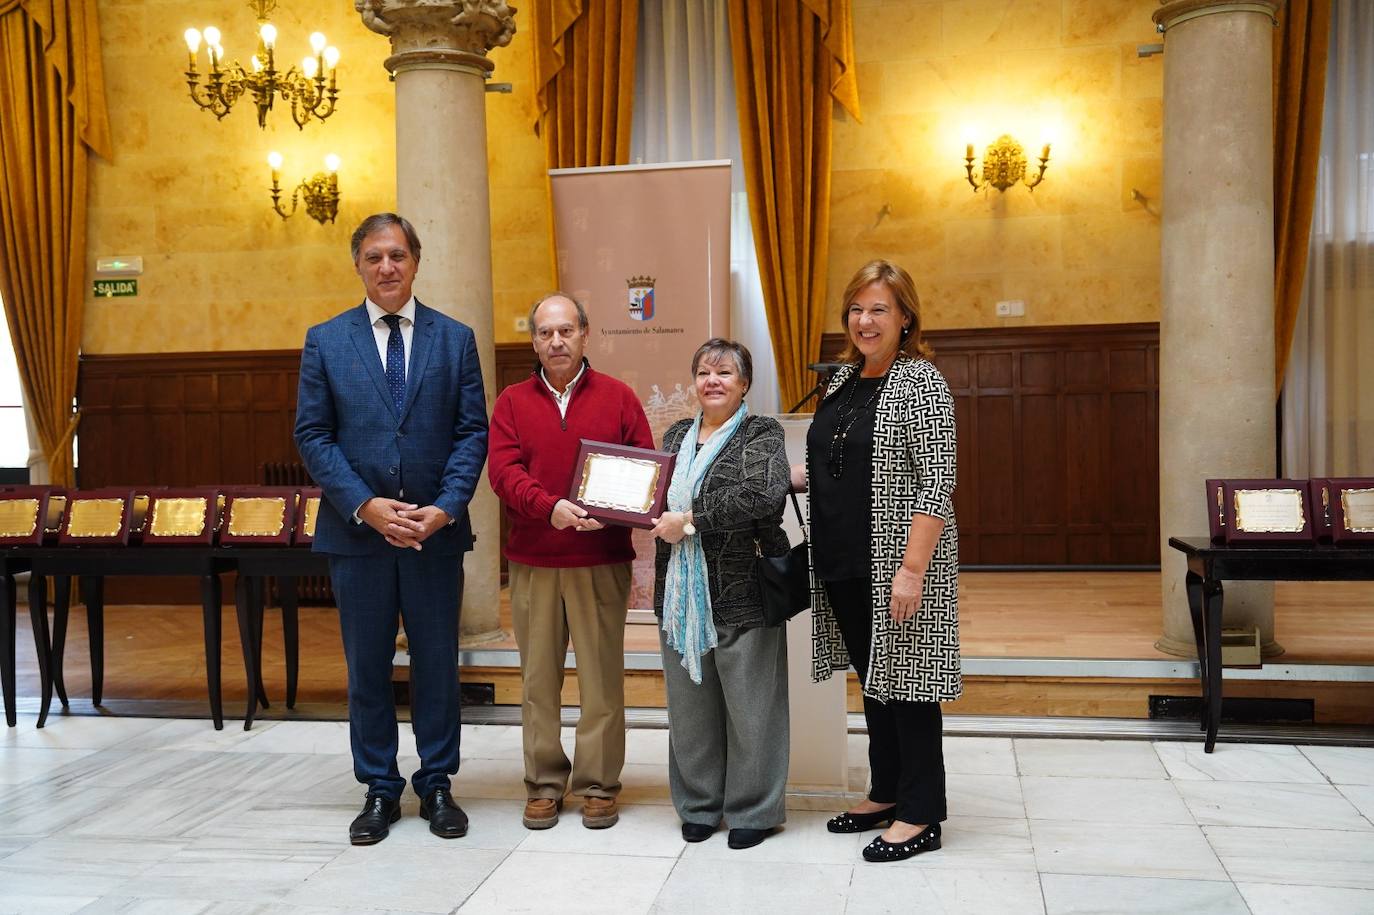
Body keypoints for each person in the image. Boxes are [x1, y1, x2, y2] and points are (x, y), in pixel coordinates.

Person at [294, 213, 488, 845]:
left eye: (398, 256)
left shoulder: (455, 339)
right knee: (367, 669)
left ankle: (436, 783)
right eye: (374, 256)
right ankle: (379, 786)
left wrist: (448, 505)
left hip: (434, 533)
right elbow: (314, 436)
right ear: (358, 264)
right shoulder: (325, 340)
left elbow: (471, 433)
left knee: (437, 664)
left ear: (415, 262)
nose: (386, 267)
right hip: (358, 537)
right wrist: (365, 506)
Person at [794, 259, 961, 863]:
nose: (865, 320)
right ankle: (887, 791)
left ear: (905, 317)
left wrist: (912, 569)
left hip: (898, 562)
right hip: (840, 556)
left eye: (879, 310)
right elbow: (832, 460)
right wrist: (789, 476)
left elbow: (935, 483)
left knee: (912, 687)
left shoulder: (923, 383)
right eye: (857, 309)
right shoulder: (841, 381)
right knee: (875, 685)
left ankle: (921, 813)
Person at [488, 292, 654, 830]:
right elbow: (503, 472)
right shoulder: (512, 401)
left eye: (565, 331)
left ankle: (600, 784)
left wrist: (619, 513)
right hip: (534, 561)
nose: (555, 341)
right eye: (544, 333)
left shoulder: (620, 397)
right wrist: (548, 507)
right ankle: (543, 784)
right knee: (537, 682)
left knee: (602, 680)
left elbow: (645, 472)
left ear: (585, 334)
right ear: (533, 341)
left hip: (601, 560)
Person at [651, 339, 791, 850]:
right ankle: (699, 804)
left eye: (725, 372)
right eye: (704, 371)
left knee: (752, 707)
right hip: (680, 595)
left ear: (745, 384)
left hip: (744, 589)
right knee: (690, 707)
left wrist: (687, 522)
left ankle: (754, 809)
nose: (713, 380)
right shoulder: (674, 435)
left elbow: (762, 493)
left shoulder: (762, 432)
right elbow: (650, 496)